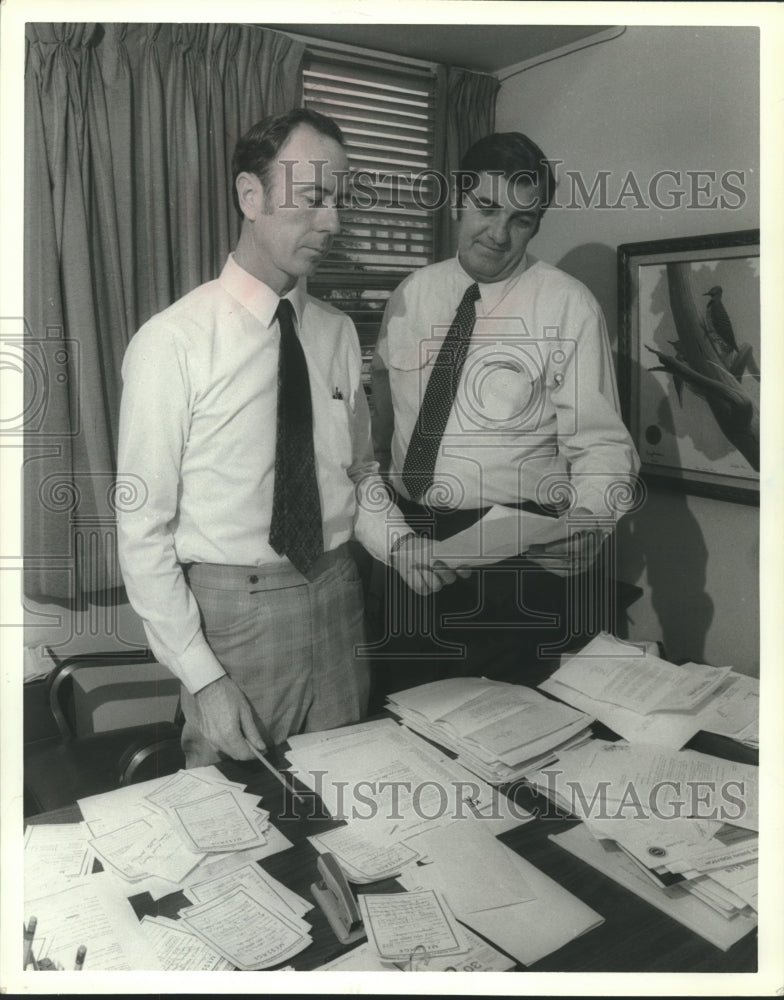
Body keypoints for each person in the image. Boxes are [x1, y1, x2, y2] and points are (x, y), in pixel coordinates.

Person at [117, 108, 456, 766]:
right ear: (251, 196)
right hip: (232, 624)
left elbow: (359, 474)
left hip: (338, 603)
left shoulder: (334, 332)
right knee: (243, 829)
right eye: (312, 199)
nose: (332, 222)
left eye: (339, 201)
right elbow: (142, 532)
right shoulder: (171, 343)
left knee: (346, 812)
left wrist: (402, 543)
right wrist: (206, 680)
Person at [370, 131, 640, 694]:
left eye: (521, 219)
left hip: (511, 558)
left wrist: (591, 519)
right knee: (399, 710)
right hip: (409, 543)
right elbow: (380, 421)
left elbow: (602, 444)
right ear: (458, 202)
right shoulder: (411, 294)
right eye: (487, 208)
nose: (498, 233)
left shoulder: (568, 306)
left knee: (504, 731)